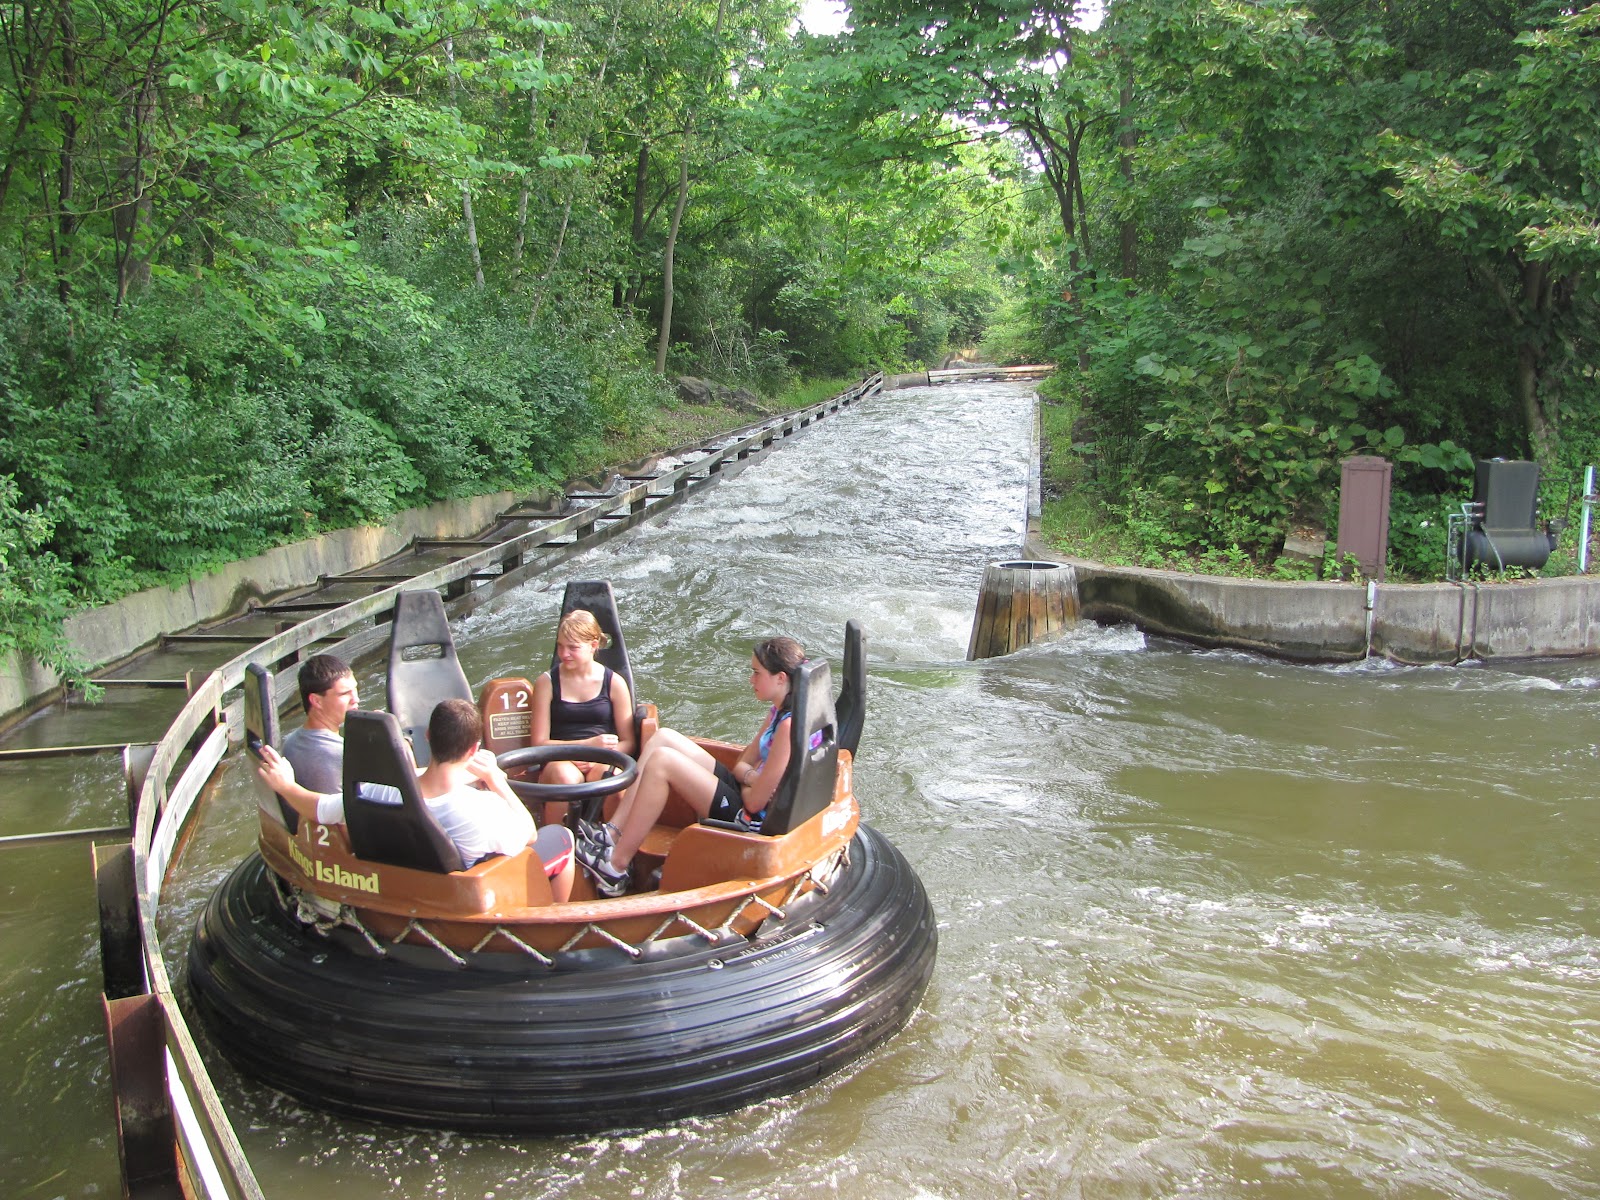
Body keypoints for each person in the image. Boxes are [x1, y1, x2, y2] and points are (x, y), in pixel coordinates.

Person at [257, 699, 575, 902]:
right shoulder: (481, 808)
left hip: (408, 887)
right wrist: (495, 781)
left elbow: (318, 807)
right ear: (472, 749)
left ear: (428, 738)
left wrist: (285, 785)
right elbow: (530, 834)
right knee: (563, 837)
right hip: (470, 891)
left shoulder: (372, 792)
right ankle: (555, 922)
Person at [576, 636, 804, 898]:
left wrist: (747, 781)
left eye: (756, 673)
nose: (751, 680)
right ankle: (612, 833)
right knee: (664, 737)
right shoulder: (777, 712)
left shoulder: (788, 727)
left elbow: (754, 804)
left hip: (749, 821)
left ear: (781, 678)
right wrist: (751, 777)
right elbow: (742, 762)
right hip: (745, 792)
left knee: (662, 762)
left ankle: (615, 866)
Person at [528, 609, 636, 826]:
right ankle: (557, 845)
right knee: (565, 778)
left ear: (593, 646)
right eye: (560, 646)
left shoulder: (614, 683)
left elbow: (629, 742)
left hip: (601, 758)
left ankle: (610, 846)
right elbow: (538, 743)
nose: (564, 653)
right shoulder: (547, 683)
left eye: (573, 648)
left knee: (610, 778)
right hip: (558, 758)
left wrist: (599, 753)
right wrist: (584, 746)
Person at [279, 654, 358, 794]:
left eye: (355, 689)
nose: (355, 699)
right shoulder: (339, 753)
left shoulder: (290, 742)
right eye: (344, 694)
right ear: (316, 701)